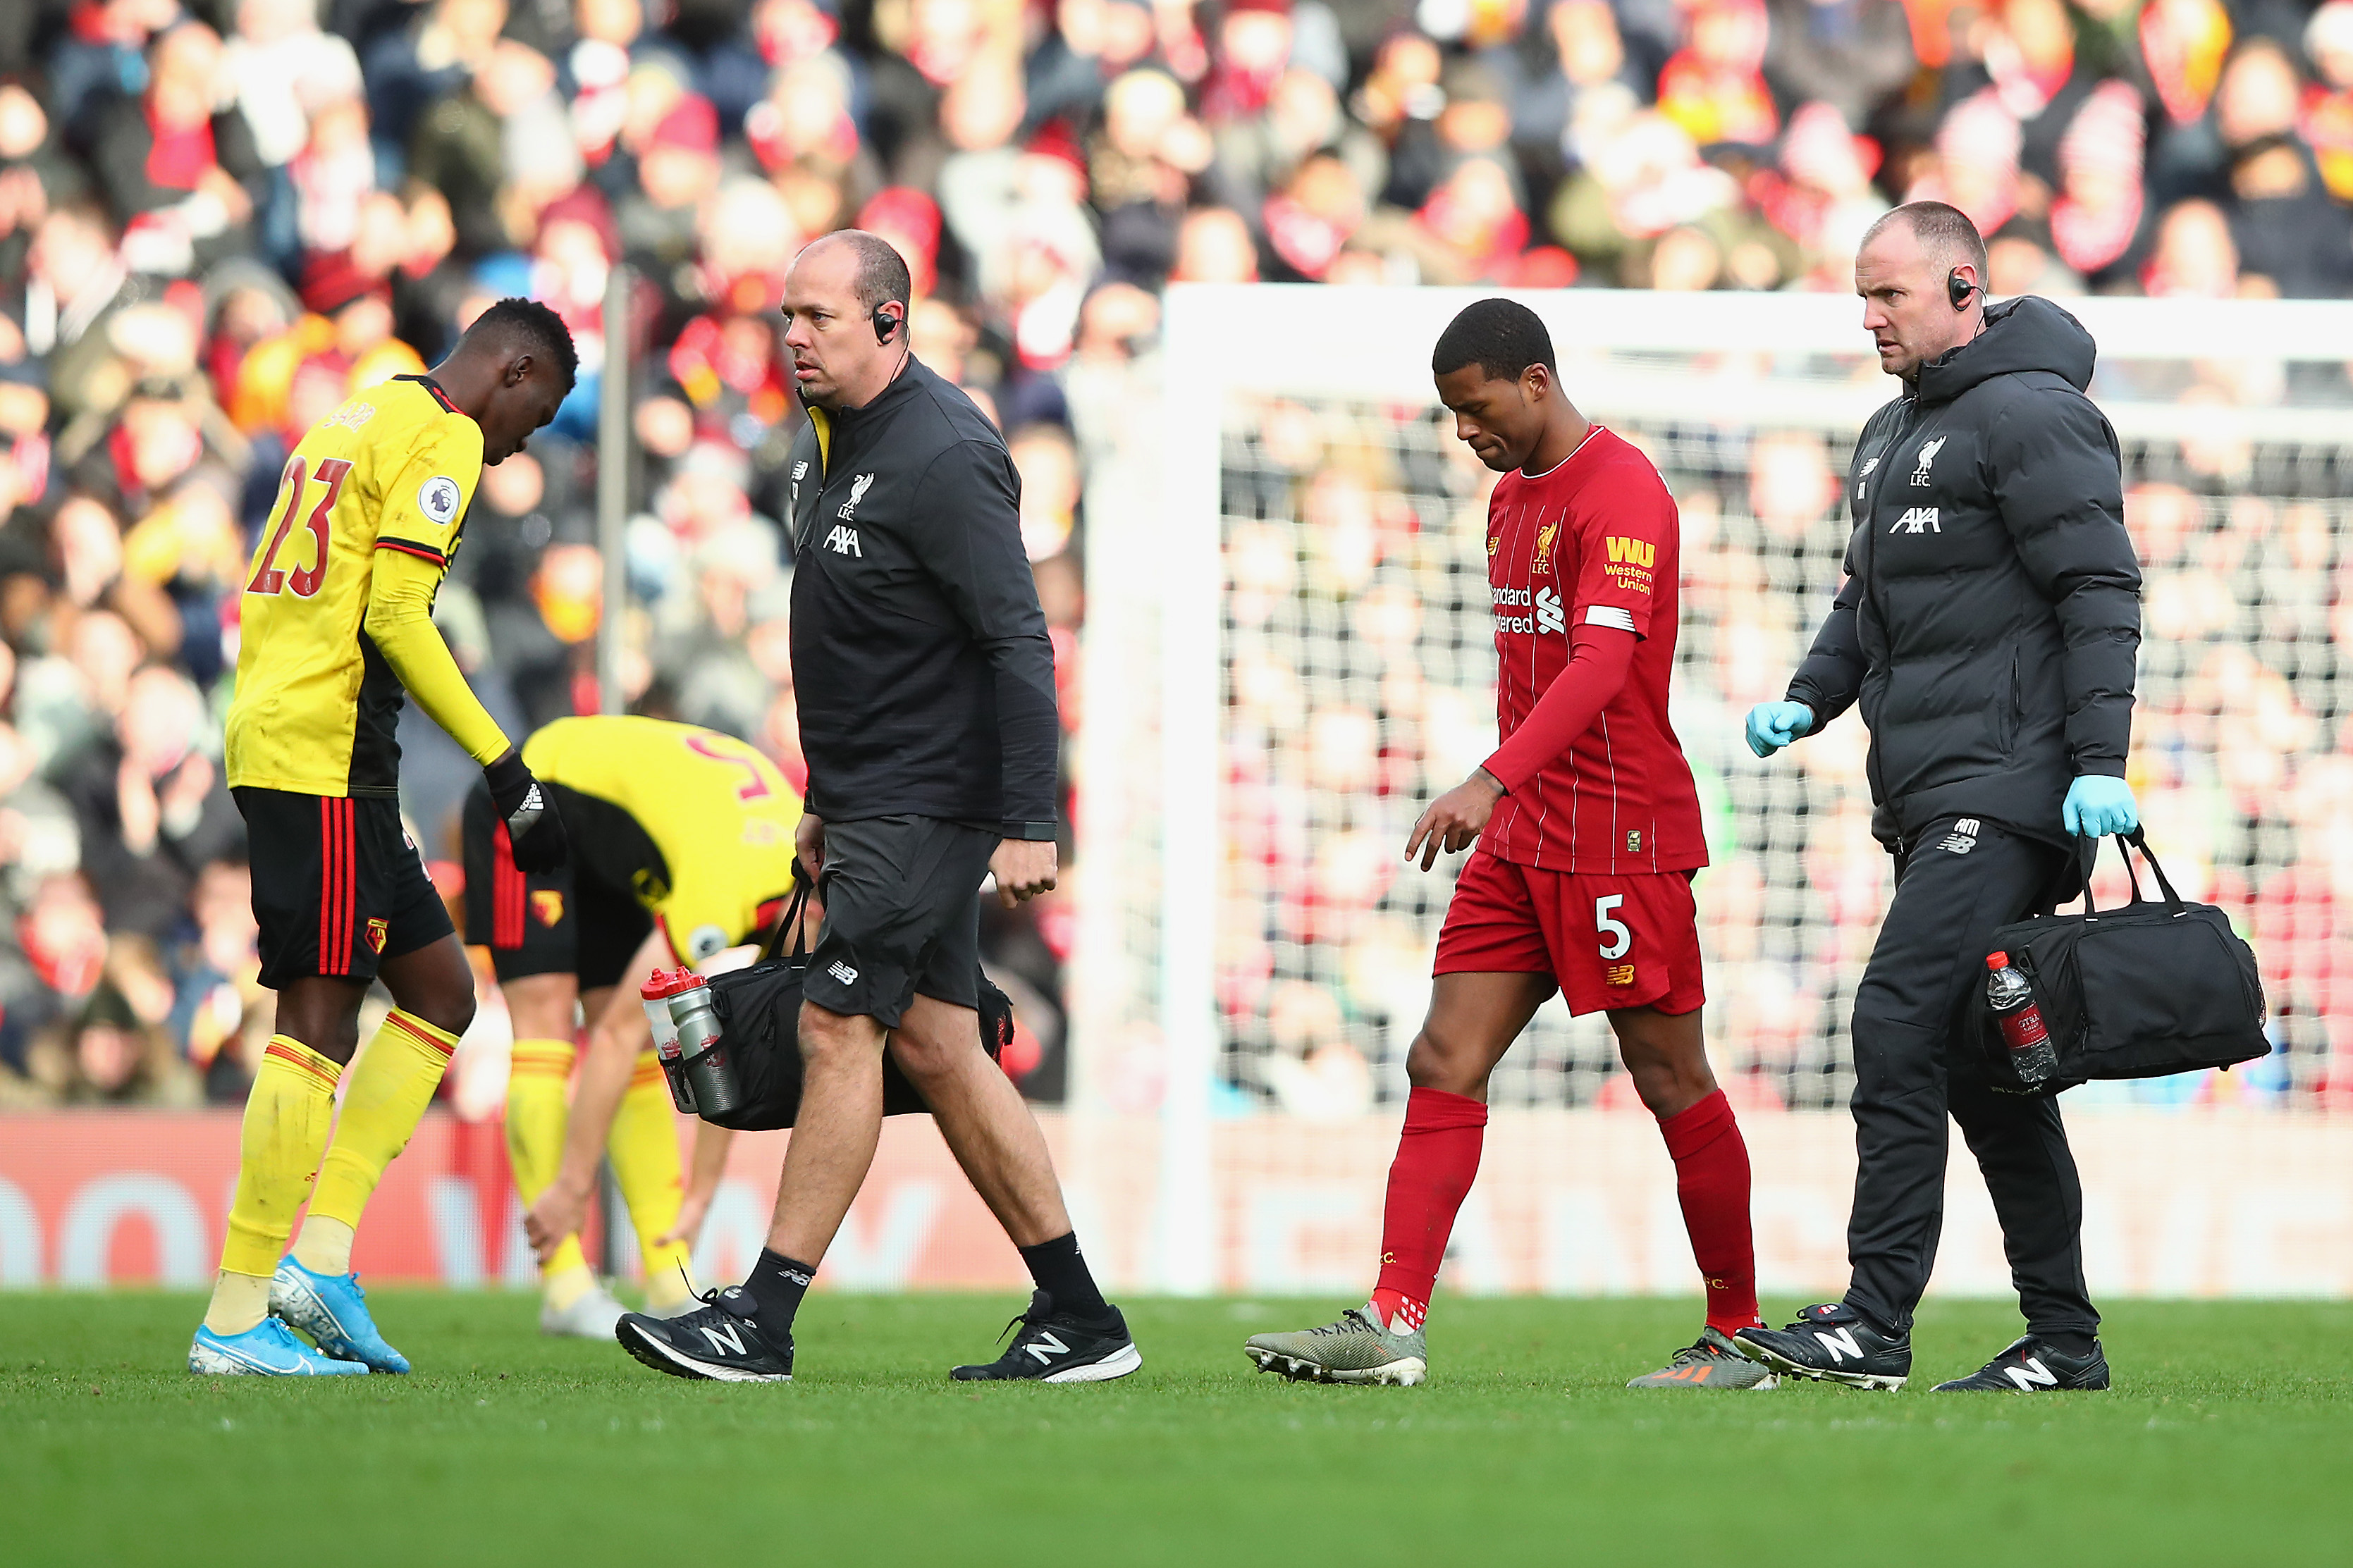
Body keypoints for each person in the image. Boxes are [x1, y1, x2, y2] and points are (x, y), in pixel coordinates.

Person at [612, 230, 1138, 1385]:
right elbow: (864, 642)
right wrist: (823, 801)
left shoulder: (947, 453)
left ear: (889, 323)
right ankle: (1078, 1316)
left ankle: (760, 1317)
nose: (792, 338)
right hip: (872, 800)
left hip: (933, 800)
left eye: (818, 319)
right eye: (785, 318)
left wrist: (1027, 815)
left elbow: (1016, 639)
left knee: (837, 1024)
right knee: (945, 1048)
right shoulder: (825, 442)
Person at [1243, 298, 1769, 1390]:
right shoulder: (1506, 502)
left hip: (1620, 834)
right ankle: (1391, 1320)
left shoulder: (1622, 492)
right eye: (1450, 416)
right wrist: (1508, 794)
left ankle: (1737, 1336)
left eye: (1475, 410)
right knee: (1441, 1056)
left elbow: (1601, 666)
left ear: (1534, 381)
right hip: (1528, 837)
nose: (1464, 434)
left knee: (1669, 1076)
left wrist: (1488, 776)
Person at [1736, 202, 2140, 1394]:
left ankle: (1871, 1320)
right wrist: (1808, 699)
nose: (1868, 319)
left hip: (2007, 792)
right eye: (1859, 298)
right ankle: (2062, 1344)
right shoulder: (1882, 433)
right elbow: (1863, 604)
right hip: (1926, 797)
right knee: (1984, 1068)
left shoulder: (2034, 416)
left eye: (1890, 297)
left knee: (1892, 1018)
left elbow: (2098, 589)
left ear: (1963, 287)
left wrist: (2098, 762)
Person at [188, 300, 575, 1377]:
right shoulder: (445, 433)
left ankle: (319, 1260)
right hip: (321, 749)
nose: (515, 449)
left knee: (443, 993)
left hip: (295, 731)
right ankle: (234, 1316)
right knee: (316, 1021)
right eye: (531, 420)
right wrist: (508, 767)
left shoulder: (354, 414)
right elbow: (398, 617)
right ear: (515, 370)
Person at [491, 715, 804, 1337]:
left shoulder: (794, 873)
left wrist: (700, 1197)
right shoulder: (721, 898)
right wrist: (575, 1186)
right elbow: (610, 1033)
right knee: (555, 1027)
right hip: (538, 792)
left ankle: (668, 1277)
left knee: (647, 1039)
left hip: (621, 839)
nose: (811, 972)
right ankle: (564, 1281)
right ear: (816, 899)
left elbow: (731, 1048)